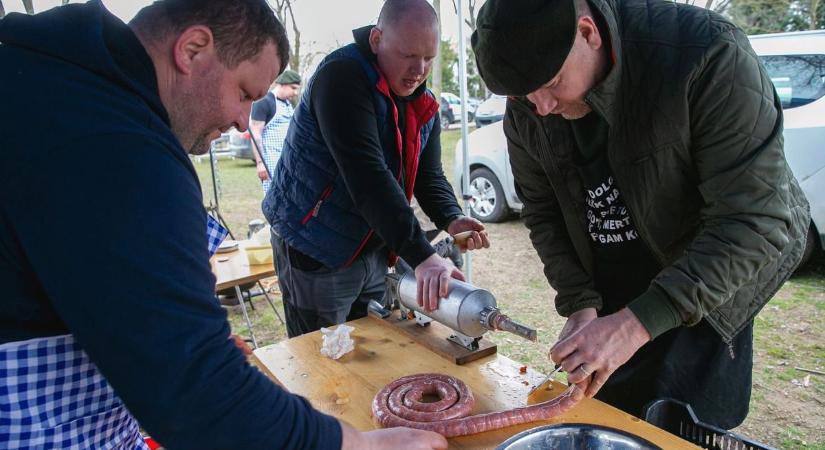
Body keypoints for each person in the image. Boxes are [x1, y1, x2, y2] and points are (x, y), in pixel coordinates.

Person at [0, 1, 447, 449]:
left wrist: (178, 329)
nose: (240, 122)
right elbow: (197, 392)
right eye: (245, 94)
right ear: (193, 49)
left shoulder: (51, 86)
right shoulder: (118, 145)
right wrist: (363, 446)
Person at [472, 0, 810, 429]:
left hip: (702, 285)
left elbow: (755, 219)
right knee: (611, 418)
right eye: (523, 96)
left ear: (588, 33)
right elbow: (541, 210)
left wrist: (635, 325)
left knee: (682, 426)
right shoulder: (530, 98)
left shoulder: (707, 54)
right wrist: (580, 302)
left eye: (553, 82)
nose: (540, 107)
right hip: (611, 285)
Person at [262, 0, 490, 338]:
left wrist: (450, 215)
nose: (419, 69)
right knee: (320, 356)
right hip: (314, 243)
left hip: (373, 243)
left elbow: (429, 174)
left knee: (373, 344)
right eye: (408, 55)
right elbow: (367, 176)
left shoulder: (422, 101)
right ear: (376, 40)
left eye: (428, 57)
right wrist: (424, 257)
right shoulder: (340, 78)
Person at [250, 69, 302, 193]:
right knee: (275, 199)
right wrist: (260, 163)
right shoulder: (264, 102)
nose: (295, 92)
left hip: (288, 161)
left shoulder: (288, 104)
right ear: (282, 84)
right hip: (271, 163)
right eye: (293, 88)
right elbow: (255, 133)